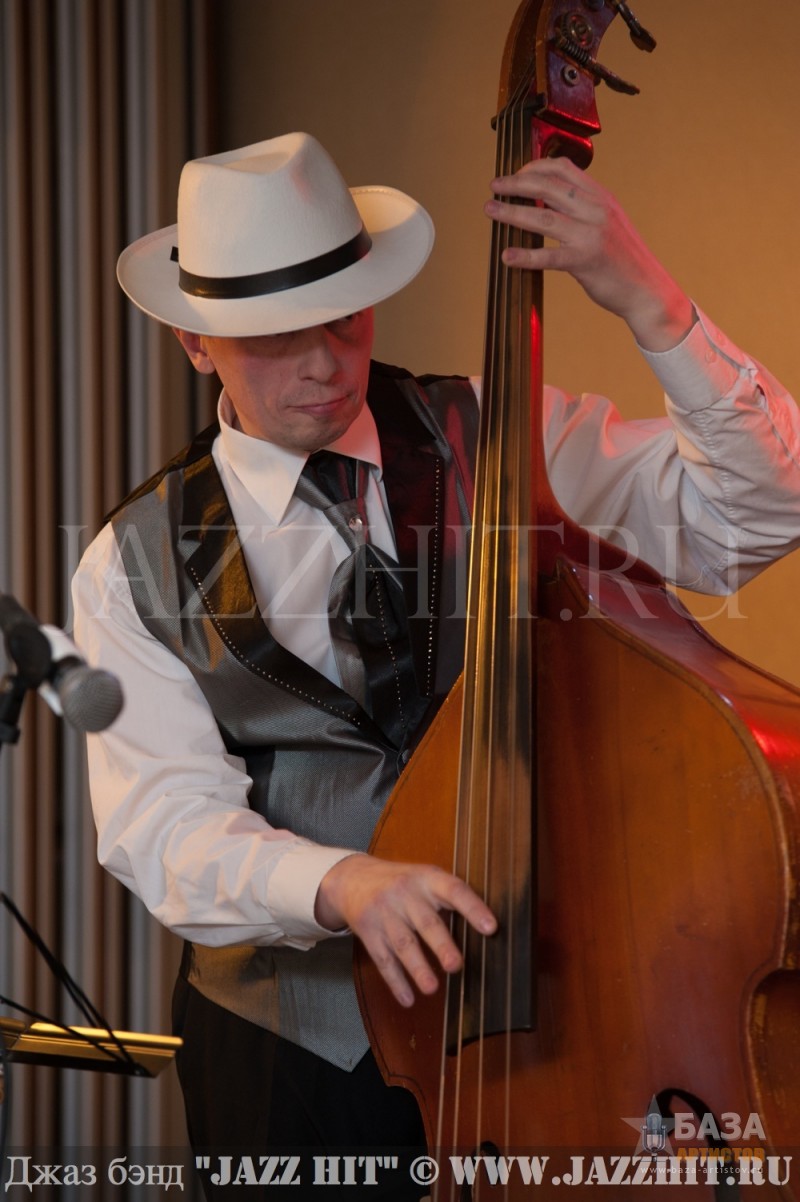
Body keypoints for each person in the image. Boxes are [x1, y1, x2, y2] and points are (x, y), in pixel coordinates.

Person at [72, 132, 800, 1197]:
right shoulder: (127, 560)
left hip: (560, 1018)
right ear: (196, 340)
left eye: (343, 317)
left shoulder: (501, 437)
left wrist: (651, 303)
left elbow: (759, 511)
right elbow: (161, 822)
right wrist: (339, 881)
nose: (324, 363)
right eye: (277, 337)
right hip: (291, 1064)